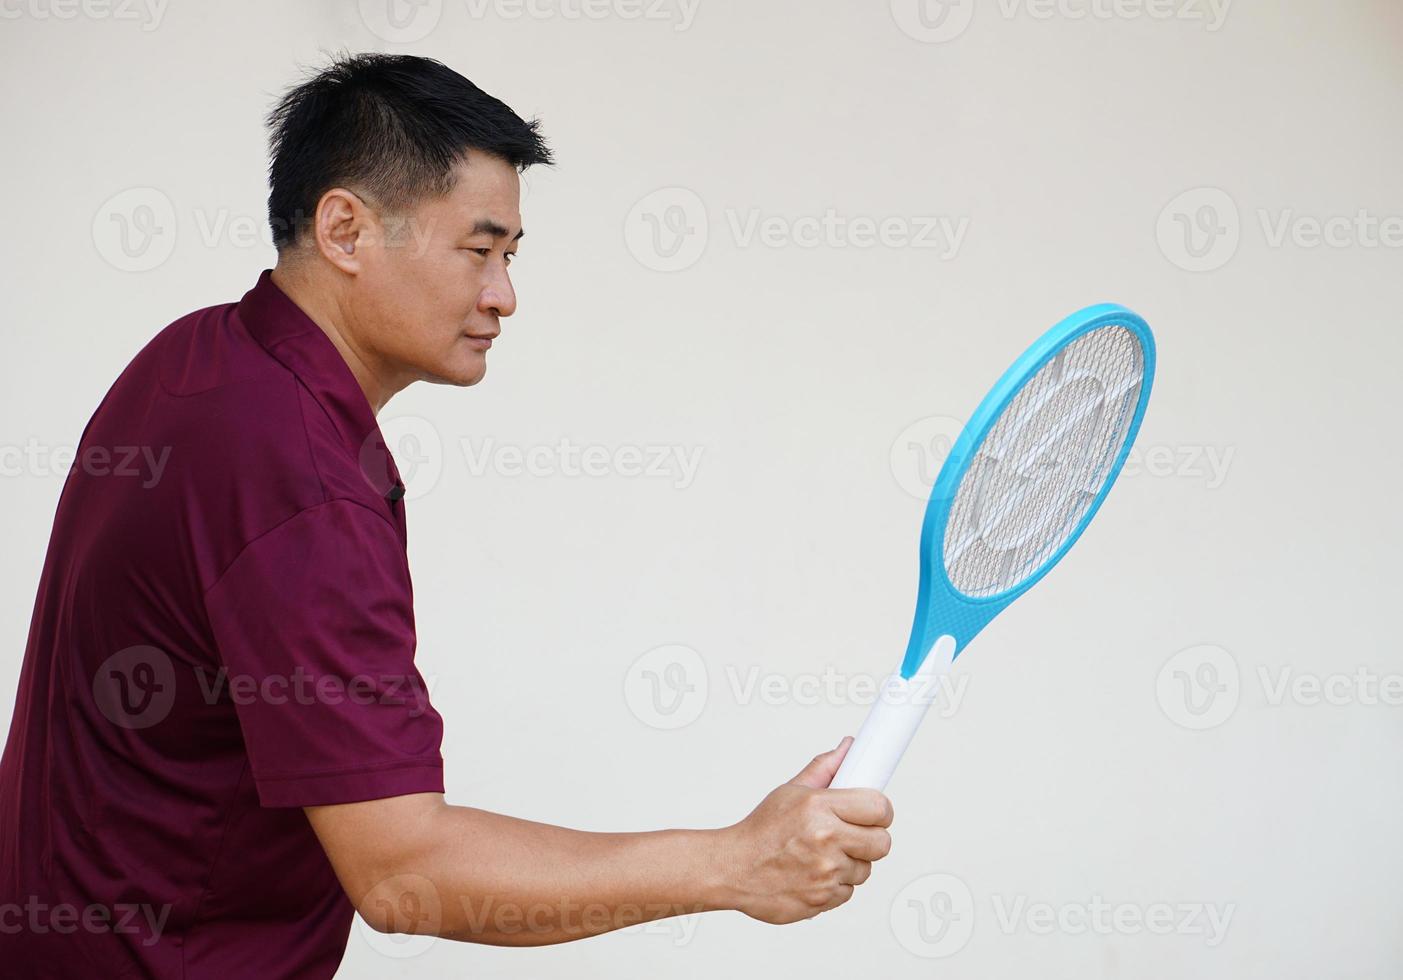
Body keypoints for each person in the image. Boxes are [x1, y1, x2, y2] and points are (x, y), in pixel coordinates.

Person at [0, 53, 893, 978]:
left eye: (510, 257)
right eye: (479, 249)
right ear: (345, 229)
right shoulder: (302, 483)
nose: (504, 295)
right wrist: (732, 864)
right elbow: (401, 870)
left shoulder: (193, 358)